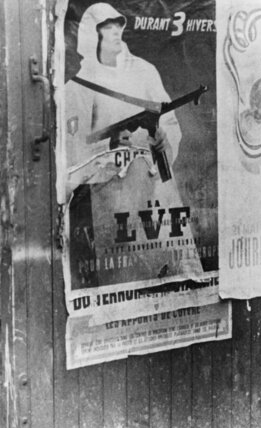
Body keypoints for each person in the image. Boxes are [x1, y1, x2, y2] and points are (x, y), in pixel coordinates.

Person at [63, 2, 202, 288]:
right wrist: (108, 147)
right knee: (129, 278)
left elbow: (170, 123)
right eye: (106, 28)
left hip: (157, 191)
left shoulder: (145, 71)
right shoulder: (77, 88)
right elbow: (70, 153)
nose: (115, 32)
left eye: (118, 25)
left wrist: (162, 137)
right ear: (92, 35)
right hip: (114, 196)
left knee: (176, 273)